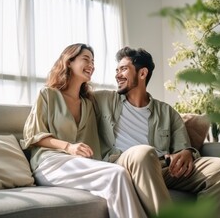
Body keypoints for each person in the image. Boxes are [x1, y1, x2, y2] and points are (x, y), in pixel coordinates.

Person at [92, 46, 220, 218]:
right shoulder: (103, 99)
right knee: (144, 153)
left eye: (123, 69)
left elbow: (183, 148)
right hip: (123, 165)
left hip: (161, 167)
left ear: (142, 73)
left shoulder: (166, 112)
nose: (117, 75)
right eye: (117, 70)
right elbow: (73, 93)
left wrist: (187, 153)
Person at [20, 43, 147, 218]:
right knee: (116, 174)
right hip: (50, 163)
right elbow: (33, 136)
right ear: (69, 62)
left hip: (79, 165)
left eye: (93, 62)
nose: (91, 65)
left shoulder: (88, 104)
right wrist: (68, 147)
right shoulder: (48, 95)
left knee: (116, 177)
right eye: (86, 59)